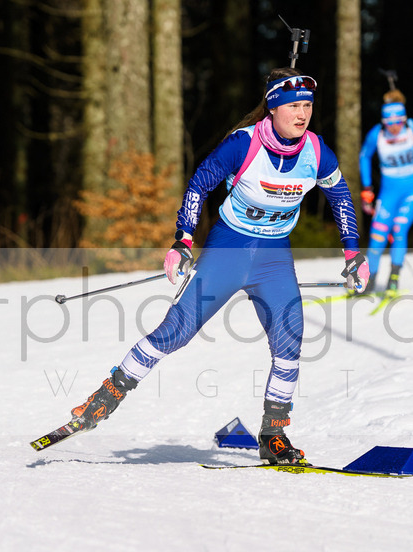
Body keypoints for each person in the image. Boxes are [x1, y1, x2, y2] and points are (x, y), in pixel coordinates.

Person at [65, 67, 369, 465]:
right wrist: (182, 241)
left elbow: (342, 197)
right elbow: (199, 185)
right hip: (230, 248)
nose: (303, 113)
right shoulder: (242, 144)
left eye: (308, 106)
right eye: (294, 105)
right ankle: (107, 395)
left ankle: (273, 434)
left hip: (274, 256)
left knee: (290, 341)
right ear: (273, 108)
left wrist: (352, 252)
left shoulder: (316, 150)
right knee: (176, 331)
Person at [358, 88, 413, 293]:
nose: (394, 127)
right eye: (389, 123)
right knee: (378, 233)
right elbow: (364, 157)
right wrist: (367, 189)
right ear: (383, 121)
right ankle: (369, 281)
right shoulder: (377, 134)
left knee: (398, 229)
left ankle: (393, 279)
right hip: (388, 194)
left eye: (398, 122)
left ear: (404, 119)